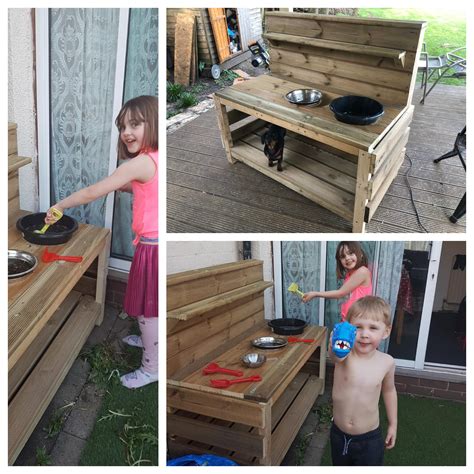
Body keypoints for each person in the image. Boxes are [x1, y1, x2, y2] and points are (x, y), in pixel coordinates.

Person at [45, 95, 158, 389]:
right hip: (153, 243)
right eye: (122, 126)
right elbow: (146, 189)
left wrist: (60, 206)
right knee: (150, 307)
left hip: (153, 248)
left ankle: (152, 366)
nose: (126, 132)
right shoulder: (156, 158)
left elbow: (93, 191)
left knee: (148, 310)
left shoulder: (142, 162)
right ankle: (150, 341)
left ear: (153, 123)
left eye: (135, 124)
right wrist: (124, 186)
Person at [329, 296, 397, 466]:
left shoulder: (386, 362)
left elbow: (389, 391)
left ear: (386, 332)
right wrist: (335, 341)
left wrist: (393, 424)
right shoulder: (345, 355)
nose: (365, 334)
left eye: (373, 328)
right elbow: (335, 355)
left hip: (369, 439)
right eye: (358, 327)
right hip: (339, 435)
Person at [302, 241, 372, 321]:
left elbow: (340, 293)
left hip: (358, 321)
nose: (347, 258)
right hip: (349, 320)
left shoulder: (362, 271)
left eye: (351, 253)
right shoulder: (349, 275)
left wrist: (315, 294)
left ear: (361, 254)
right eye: (343, 256)